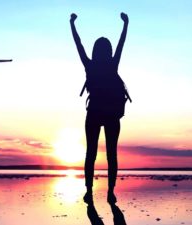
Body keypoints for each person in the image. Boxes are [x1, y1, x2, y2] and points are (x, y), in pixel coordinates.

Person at [70, 12, 129, 204]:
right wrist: (125, 24)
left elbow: (78, 45)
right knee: (112, 154)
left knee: (91, 154)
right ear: (108, 51)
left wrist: (72, 24)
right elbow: (121, 43)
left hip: (94, 113)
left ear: (95, 50)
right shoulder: (112, 65)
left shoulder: (90, 65)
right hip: (111, 114)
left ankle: (89, 191)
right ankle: (110, 192)